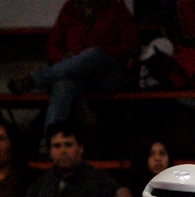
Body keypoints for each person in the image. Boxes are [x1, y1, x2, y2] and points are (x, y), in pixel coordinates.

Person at [9, 0, 139, 138]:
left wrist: (101, 54)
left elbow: (130, 44)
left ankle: (35, 79)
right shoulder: (69, 9)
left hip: (107, 72)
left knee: (93, 54)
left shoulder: (115, 7)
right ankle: (51, 141)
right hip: (76, 74)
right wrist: (65, 57)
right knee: (63, 86)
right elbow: (53, 45)